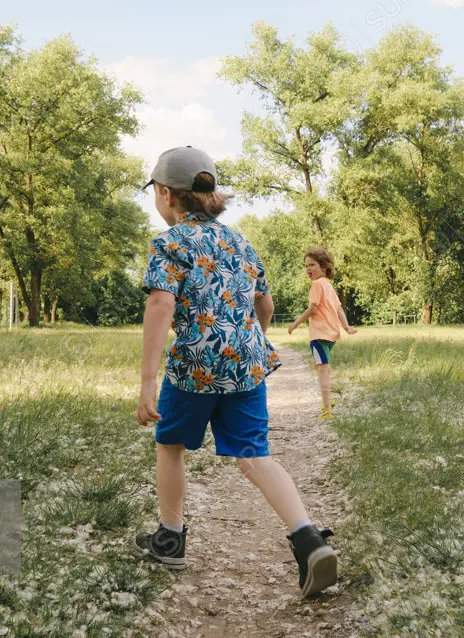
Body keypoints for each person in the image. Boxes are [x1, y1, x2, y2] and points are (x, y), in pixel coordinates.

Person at [131, 146, 338, 598]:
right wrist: (246, 340)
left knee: (170, 444)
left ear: (166, 194)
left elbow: (161, 302)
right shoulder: (238, 240)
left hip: (194, 367)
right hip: (247, 364)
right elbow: (265, 304)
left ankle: (170, 538)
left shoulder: (169, 243)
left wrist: (147, 381)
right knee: (254, 454)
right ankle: (306, 537)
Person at [288, 247, 357, 419]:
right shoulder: (328, 285)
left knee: (322, 370)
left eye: (312, 265)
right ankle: (328, 400)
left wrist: (295, 323)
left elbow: (312, 309)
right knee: (323, 367)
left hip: (319, 336)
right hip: (330, 335)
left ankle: (327, 410)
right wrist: (346, 326)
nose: (308, 269)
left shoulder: (317, 285)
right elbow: (339, 308)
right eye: (306, 266)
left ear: (324, 266)